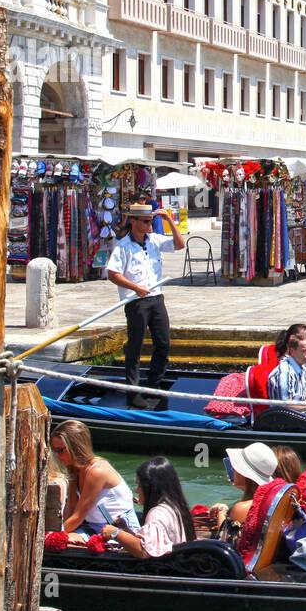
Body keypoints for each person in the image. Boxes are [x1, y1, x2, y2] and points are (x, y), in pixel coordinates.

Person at [106, 201, 186, 409]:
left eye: (151, 220)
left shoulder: (155, 240)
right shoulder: (123, 246)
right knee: (136, 345)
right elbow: (113, 274)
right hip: (136, 302)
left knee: (164, 342)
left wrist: (168, 220)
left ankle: (154, 383)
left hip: (156, 298)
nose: (150, 224)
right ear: (134, 222)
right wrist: (135, 287)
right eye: (145, 221)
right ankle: (133, 391)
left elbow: (180, 244)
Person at [53, 420, 141, 535]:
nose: (58, 456)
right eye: (55, 450)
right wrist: (57, 530)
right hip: (93, 527)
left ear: (76, 447)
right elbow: (71, 506)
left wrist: (55, 535)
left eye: (61, 450)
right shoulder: (74, 468)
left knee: (60, 542)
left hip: (120, 530)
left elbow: (79, 515)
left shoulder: (97, 471)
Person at [99, 457, 195, 559]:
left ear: (151, 487)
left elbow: (144, 551)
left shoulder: (157, 514)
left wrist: (115, 533)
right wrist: (125, 530)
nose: (136, 490)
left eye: (139, 485)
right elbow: (154, 543)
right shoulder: (174, 507)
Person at [211, 442, 278, 546]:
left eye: (236, 466)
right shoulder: (268, 500)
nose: (233, 468)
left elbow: (225, 542)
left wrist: (221, 510)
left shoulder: (243, 508)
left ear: (244, 474)